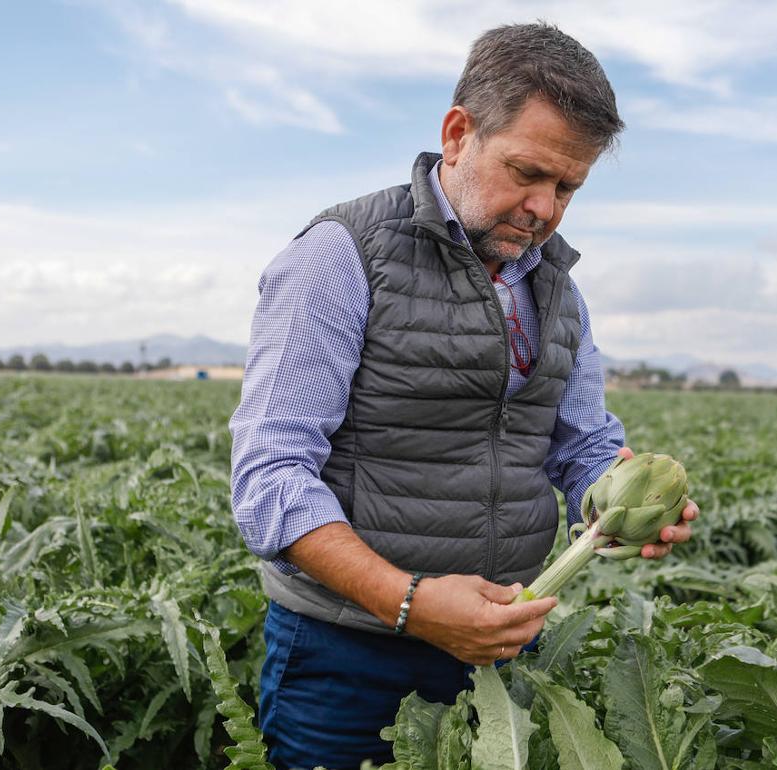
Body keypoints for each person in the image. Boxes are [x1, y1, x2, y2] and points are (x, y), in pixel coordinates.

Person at [229, 22, 699, 769]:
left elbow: (580, 441)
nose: (544, 208)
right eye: (527, 172)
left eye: (567, 187)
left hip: (502, 652)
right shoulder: (340, 256)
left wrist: (620, 499)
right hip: (349, 655)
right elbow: (271, 478)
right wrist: (410, 600)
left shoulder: (555, 286)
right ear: (458, 135)